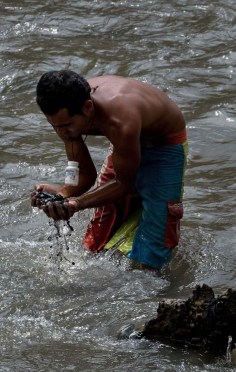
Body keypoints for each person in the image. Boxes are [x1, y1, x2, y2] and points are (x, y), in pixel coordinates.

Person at [31, 71, 188, 270]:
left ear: (87, 108)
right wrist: (61, 194)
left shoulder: (119, 121)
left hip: (164, 144)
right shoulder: (65, 114)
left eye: (66, 126)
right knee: (97, 239)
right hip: (125, 144)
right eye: (54, 126)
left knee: (154, 245)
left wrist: (77, 204)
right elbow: (84, 176)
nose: (61, 133)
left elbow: (124, 185)